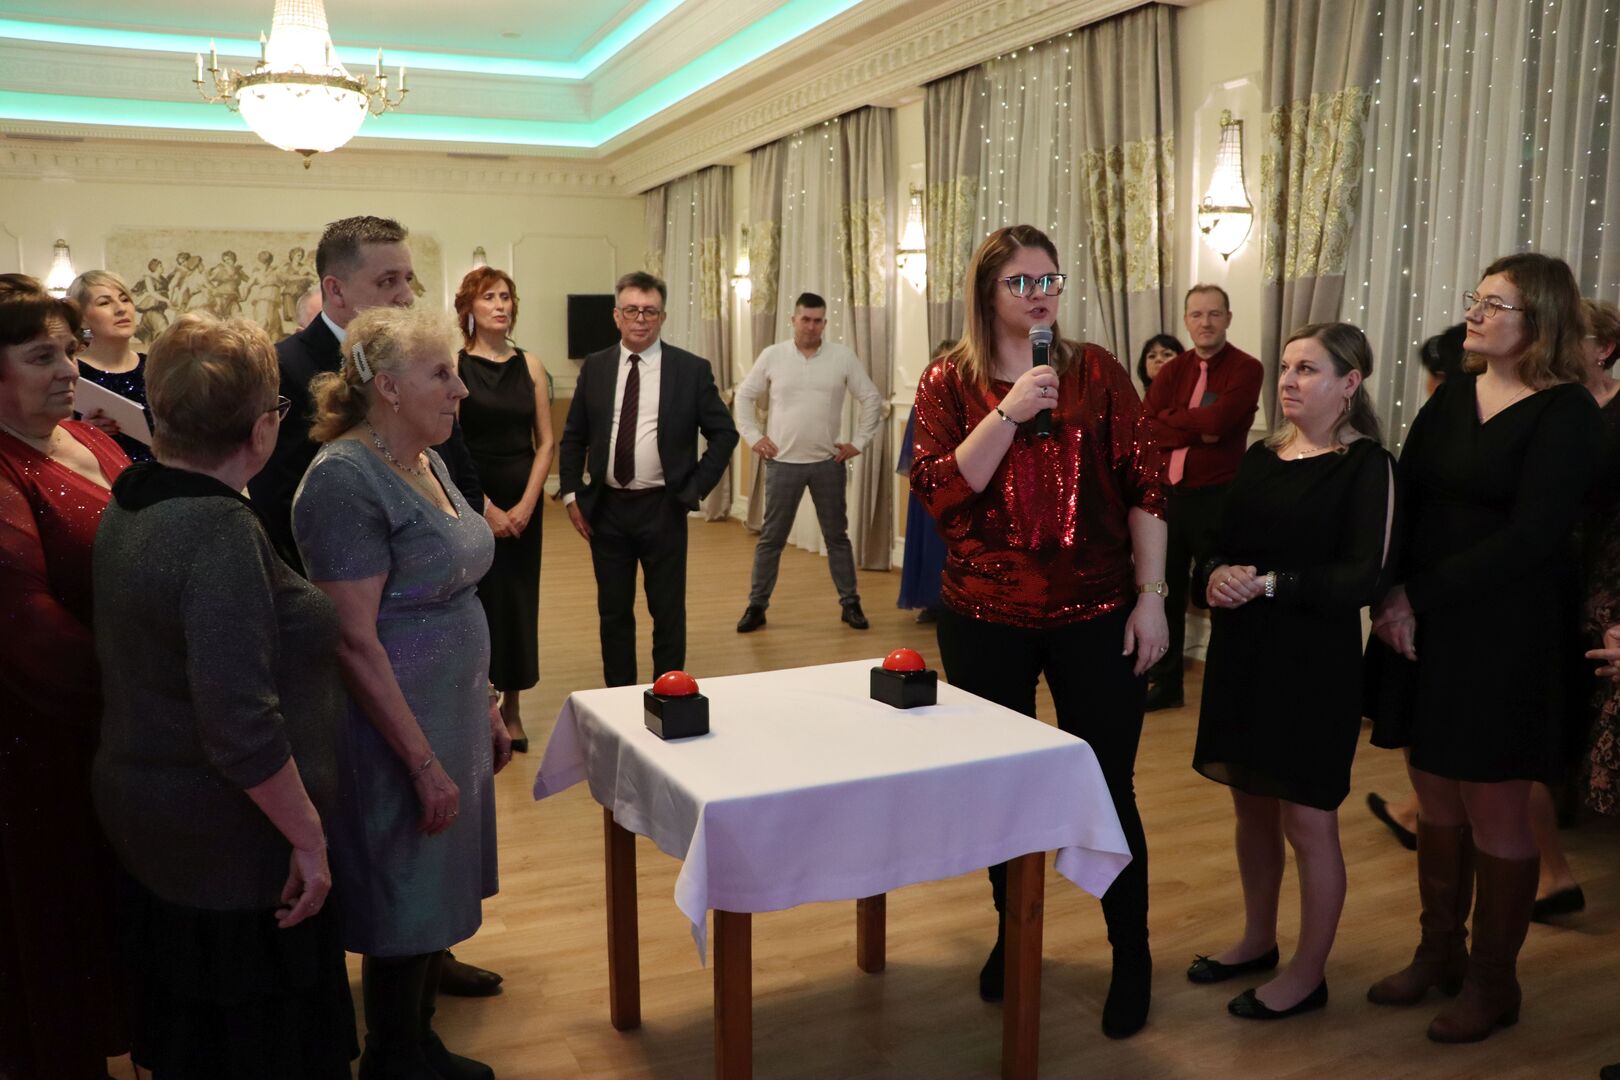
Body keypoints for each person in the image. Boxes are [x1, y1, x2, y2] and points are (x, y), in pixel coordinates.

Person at [910, 225, 1168, 1039]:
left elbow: (1147, 488)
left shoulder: (1098, 372)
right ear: (987, 293)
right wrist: (1010, 411)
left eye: (1049, 279)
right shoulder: (948, 382)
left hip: (1096, 612)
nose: (1040, 293)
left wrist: (1153, 597)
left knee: (1110, 785)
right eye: (1021, 282)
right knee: (1005, 790)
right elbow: (942, 492)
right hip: (985, 616)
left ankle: (1132, 953)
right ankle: (1012, 933)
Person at [93, 313, 356, 1079]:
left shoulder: (132, 494)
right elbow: (239, 725)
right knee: (257, 1049)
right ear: (263, 429)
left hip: (159, 818)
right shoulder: (216, 530)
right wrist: (309, 839)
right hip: (231, 843)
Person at [1363, 253, 1603, 1044]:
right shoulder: (1453, 398)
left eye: (1495, 304)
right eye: (1477, 299)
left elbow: (1535, 536)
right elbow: (1406, 500)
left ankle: (1495, 983)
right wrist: (1389, 596)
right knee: (1434, 796)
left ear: (1541, 320)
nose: (1474, 312)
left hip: (1508, 633)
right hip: (1426, 622)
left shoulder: (1567, 412)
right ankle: (1440, 954)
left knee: (1495, 807)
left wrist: (1416, 597)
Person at [293, 305, 511, 1079]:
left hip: (449, 706)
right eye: (442, 374)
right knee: (403, 882)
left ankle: (418, 1035)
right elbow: (352, 639)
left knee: (433, 876)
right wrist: (420, 761)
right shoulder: (344, 480)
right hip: (393, 722)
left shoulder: (425, 458)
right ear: (387, 386)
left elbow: (454, 592)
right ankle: (394, 1055)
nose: (461, 390)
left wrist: (486, 704)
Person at [1186, 322, 1393, 1020]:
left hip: (1312, 662)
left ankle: (1309, 974)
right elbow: (1216, 544)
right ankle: (1257, 939)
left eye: (1306, 369)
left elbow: (1363, 575)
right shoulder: (1260, 456)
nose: (1288, 380)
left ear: (1349, 382)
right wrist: (1215, 576)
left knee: (1308, 820)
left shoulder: (1367, 466)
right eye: (1285, 367)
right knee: (1250, 806)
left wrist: (1269, 584)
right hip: (1244, 652)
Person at [0, 274, 130, 1080]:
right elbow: (27, 629)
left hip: (118, 731)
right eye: (40, 356)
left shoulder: (93, 439)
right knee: (57, 918)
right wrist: (145, 688)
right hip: (45, 740)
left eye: (68, 351)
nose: (67, 370)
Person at [249, 215, 485, 576]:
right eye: (387, 281)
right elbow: (282, 507)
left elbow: (457, 467)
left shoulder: (423, 358)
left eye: (408, 279)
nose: (406, 295)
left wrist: (459, 554)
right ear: (336, 290)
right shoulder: (283, 368)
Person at [558, 270, 739, 687]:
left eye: (650, 311)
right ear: (616, 315)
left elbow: (724, 433)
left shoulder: (690, 370)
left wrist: (693, 489)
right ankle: (618, 699)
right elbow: (574, 436)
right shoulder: (596, 367)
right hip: (606, 510)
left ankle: (668, 694)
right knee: (614, 613)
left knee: (668, 612)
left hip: (663, 508)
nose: (640, 319)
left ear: (663, 316)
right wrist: (571, 495)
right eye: (632, 310)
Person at [1366, 322, 1469, 852]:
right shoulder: (1446, 418)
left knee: (1432, 725)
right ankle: (1420, 814)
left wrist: (1401, 595)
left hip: (1440, 593)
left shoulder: (1455, 421)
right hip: (1427, 589)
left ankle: (1431, 818)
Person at [1141, 286, 1263, 710]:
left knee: (1223, 591)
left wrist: (1175, 420)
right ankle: (1166, 683)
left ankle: (1231, 686)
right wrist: (1199, 429)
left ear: (1228, 318)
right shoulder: (1174, 370)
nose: (1205, 323)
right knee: (1165, 590)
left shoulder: (1247, 368)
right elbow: (1148, 426)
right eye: (1196, 315)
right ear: (1186, 320)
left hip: (1218, 496)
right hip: (1169, 495)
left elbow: (1220, 421)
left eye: (1214, 314)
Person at [734, 291, 882, 633]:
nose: (811, 326)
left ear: (824, 323)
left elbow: (871, 398)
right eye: (805, 319)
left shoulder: (842, 357)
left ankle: (850, 604)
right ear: (794, 320)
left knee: (837, 538)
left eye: (817, 321)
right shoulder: (773, 356)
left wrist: (858, 442)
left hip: (827, 463)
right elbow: (744, 397)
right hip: (782, 463)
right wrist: (754, 437)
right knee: (771, 539)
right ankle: (757, 606)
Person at [455, 267, 554, 753]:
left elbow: (546, 442)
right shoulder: (455, 366)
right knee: (481, 603)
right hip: (475, 500)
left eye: (506, 297)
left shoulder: (530, 364)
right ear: (469, 309)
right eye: (489, 297)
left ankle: (513, 708)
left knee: (517, 603)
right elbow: (450, 446)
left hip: (524, 502)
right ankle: (483, 705)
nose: (500, 305)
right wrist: (488, 509)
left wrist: (527, 505)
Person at [896, 339, 956, 623]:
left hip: (962, 484)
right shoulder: (924, 398)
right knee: (930, 544)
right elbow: (913, 448)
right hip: (930, 485)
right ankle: (932, 601)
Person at [68, 270, 153, 462]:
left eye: (125, 299)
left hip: (164, 475)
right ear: (82, 318)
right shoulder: (70, 372)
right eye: (104, 303)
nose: (121, 309)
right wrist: (82, 432)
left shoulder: (155, 367)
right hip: (101, 475)